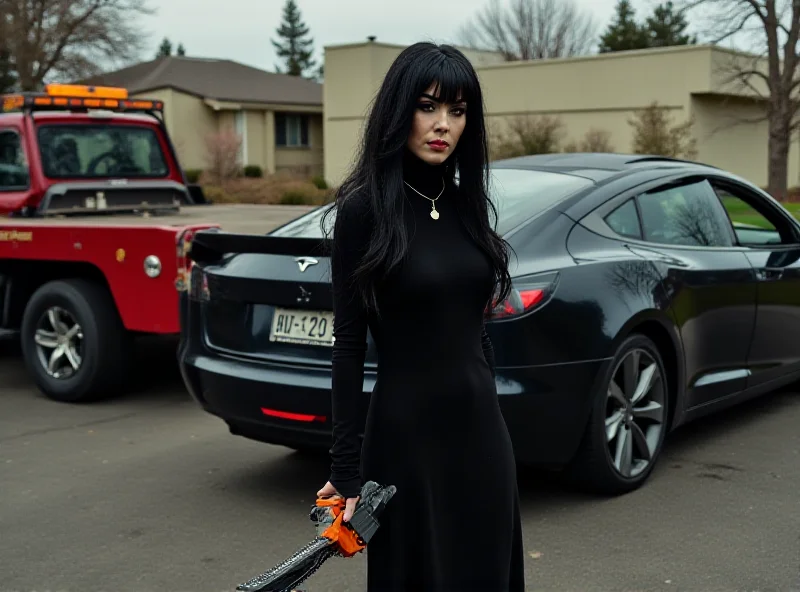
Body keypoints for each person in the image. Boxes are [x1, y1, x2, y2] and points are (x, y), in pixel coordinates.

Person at [317, 41, 526, 591]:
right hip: (406, 439)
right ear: (399, 110)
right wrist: (346, 470)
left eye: (457, 112)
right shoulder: (364, 210)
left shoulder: (465, 205)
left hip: (481, 433)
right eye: (428, 106)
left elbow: (473, 325)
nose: (443, 125)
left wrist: (494, 412)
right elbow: (347, 345)